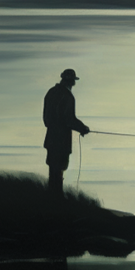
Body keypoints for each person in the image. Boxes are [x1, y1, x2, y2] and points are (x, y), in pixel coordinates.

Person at [42, 68, 90, 197]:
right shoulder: (68, 97)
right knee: (60, 169)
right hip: (61, 140)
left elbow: (46, 120)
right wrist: (83, 128)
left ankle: (53, 197)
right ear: (72, 82)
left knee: (53, 169)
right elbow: (69, 119)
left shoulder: (51, 92)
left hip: (51, 139)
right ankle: (57, 198)